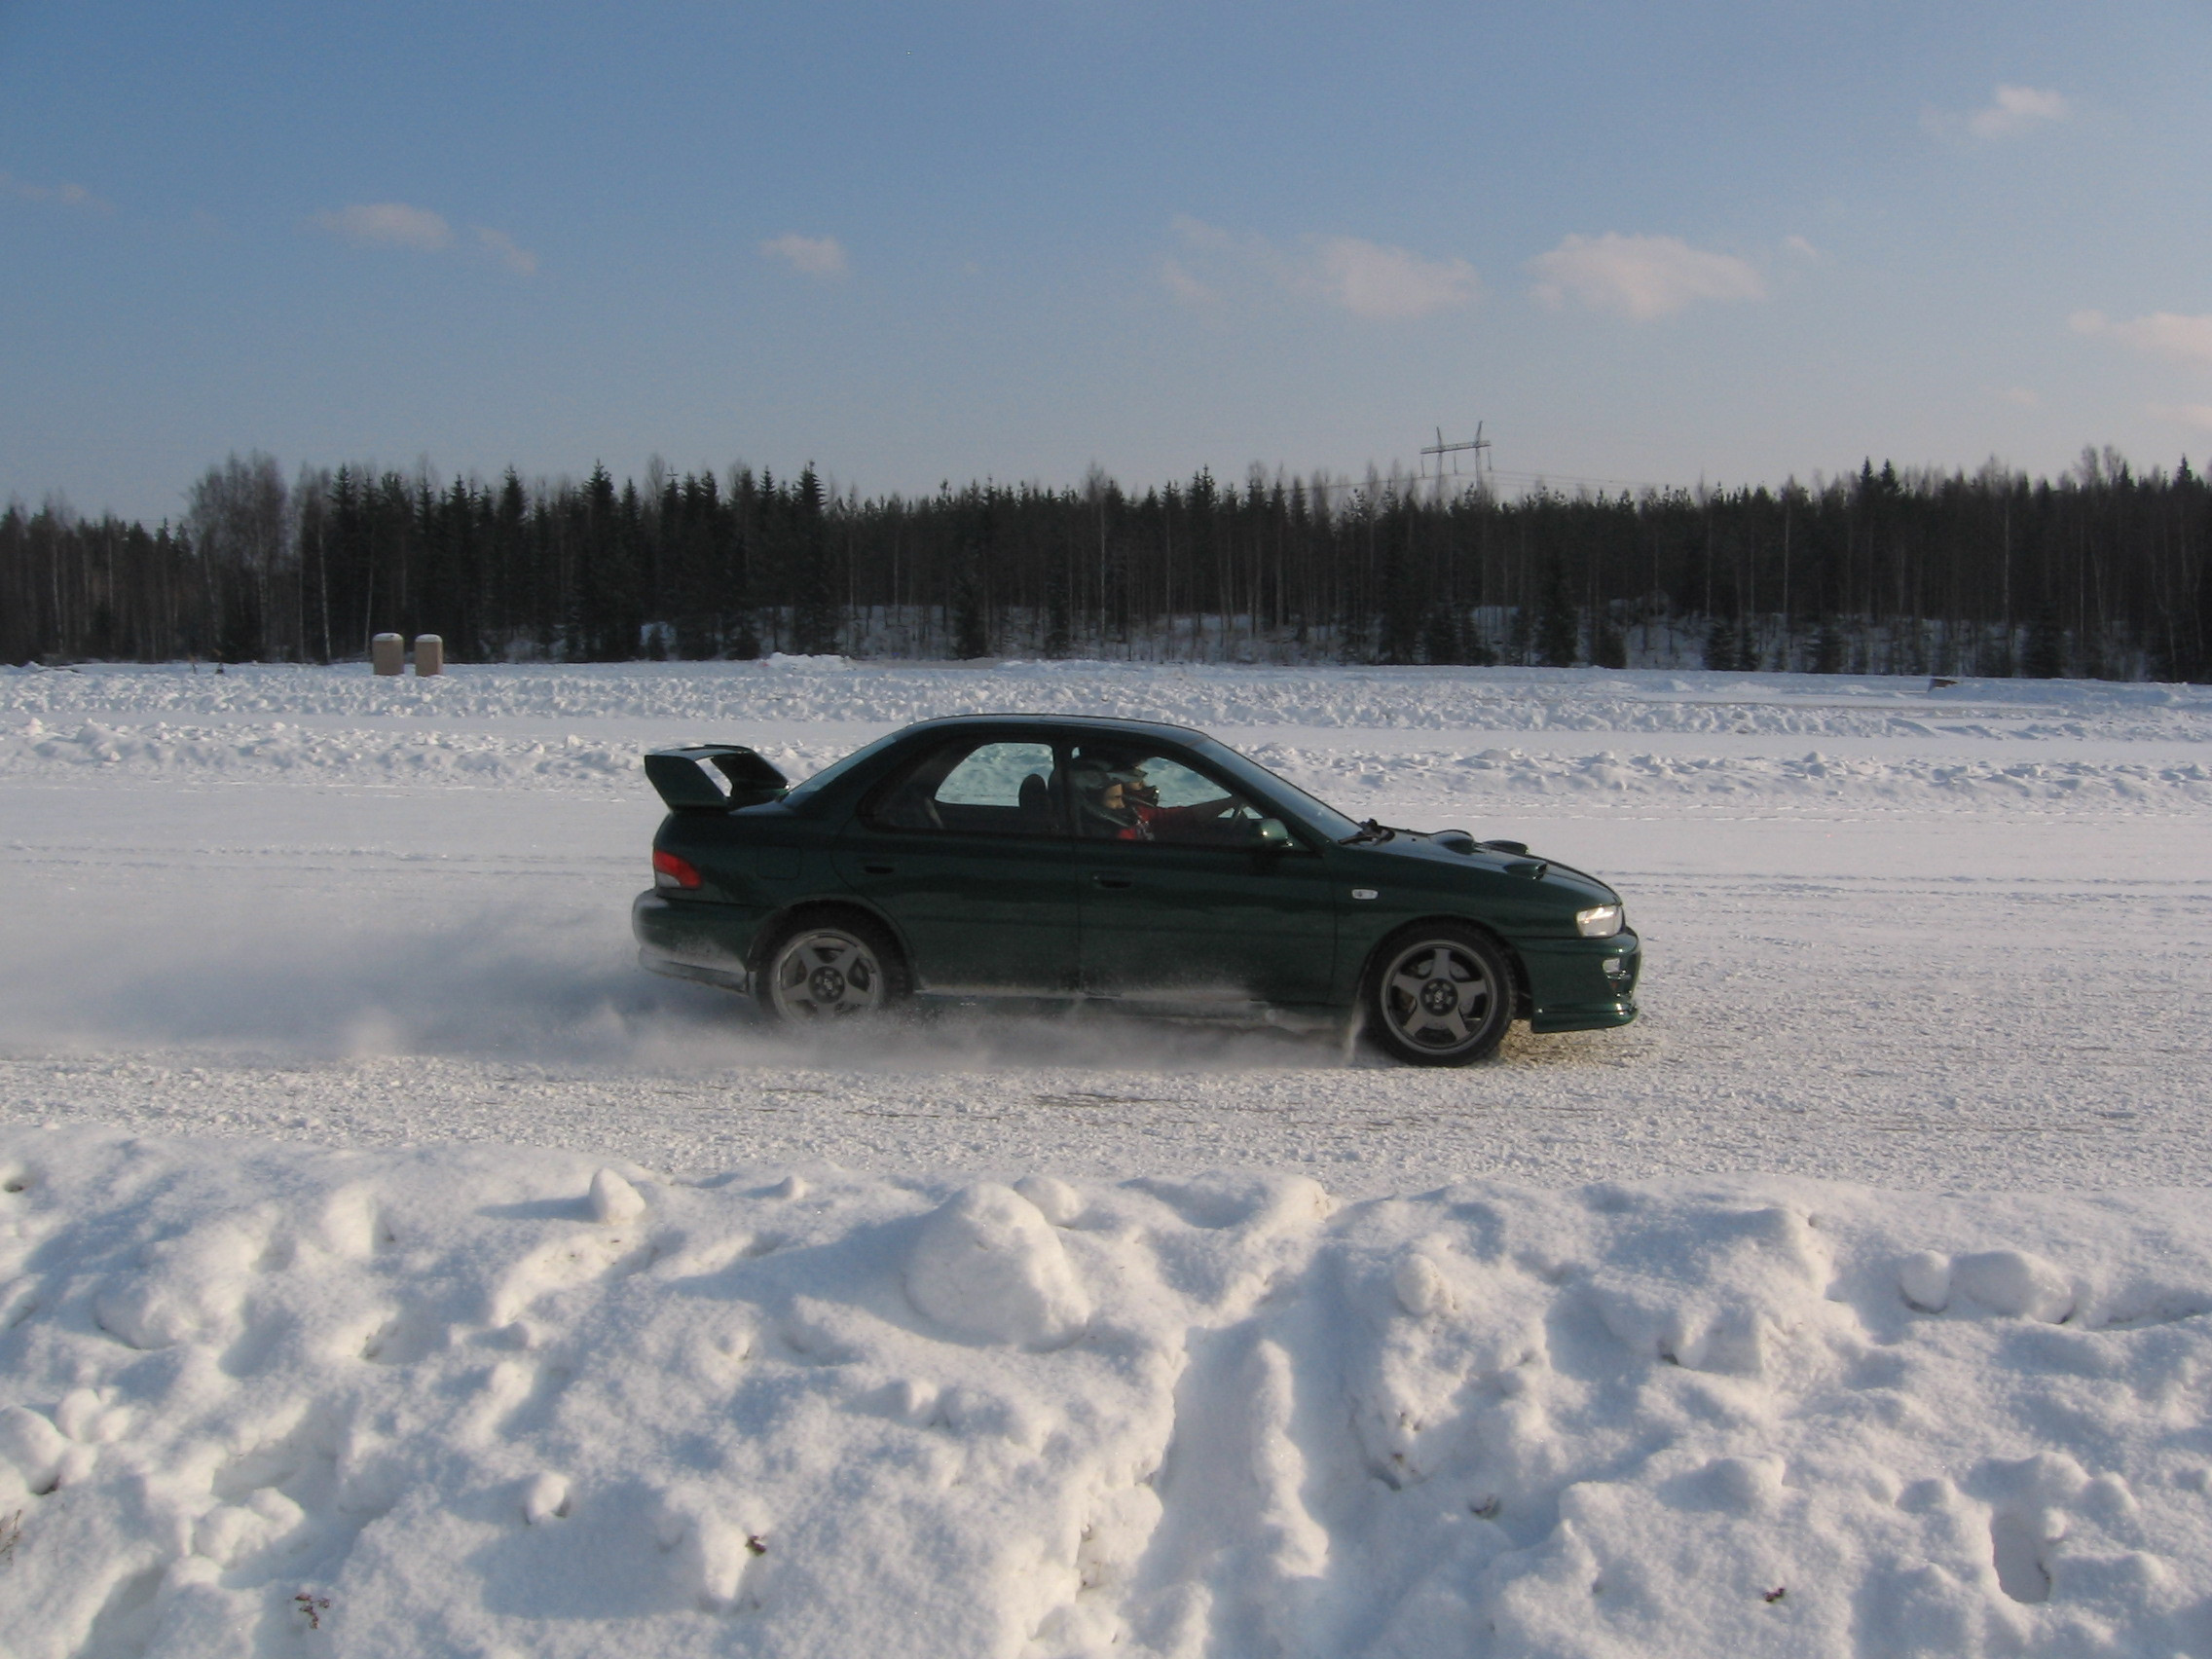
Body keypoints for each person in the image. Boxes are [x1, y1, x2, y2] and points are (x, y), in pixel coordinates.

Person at [1073, 759, 1240, 843]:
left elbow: (1178, 816)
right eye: (1115, 799)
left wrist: (1227, 803)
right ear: (1090, 801)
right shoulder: (1112, 836)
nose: (1122, 805)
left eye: (1122, 797)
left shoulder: (1134, 813)